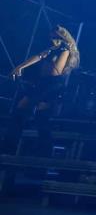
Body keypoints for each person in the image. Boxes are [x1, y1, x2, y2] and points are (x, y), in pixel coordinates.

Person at [3, 25, 80, 156]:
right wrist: (20, 67)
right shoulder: (52, 49)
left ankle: (13, 146)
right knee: (39, 117)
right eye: (51, 37)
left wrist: (51, 62)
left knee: (27, 111)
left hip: (51, 85)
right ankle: (35, 149)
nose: (52, 39)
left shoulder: (64, 49)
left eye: (55, 37)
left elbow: (56, 71)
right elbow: (38, 56)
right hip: (45, 84)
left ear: (61, 37)